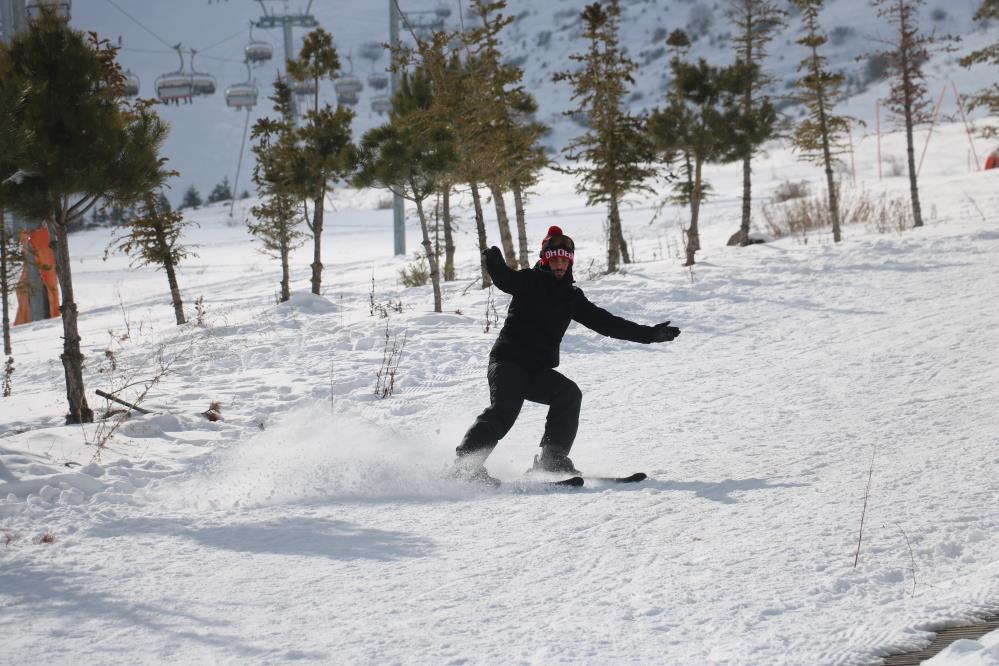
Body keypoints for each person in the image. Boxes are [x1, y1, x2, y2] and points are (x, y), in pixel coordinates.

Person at [453, 226, 681, 484]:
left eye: (565, 260)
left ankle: (552, 460)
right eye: (555, 259)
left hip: (536, 371)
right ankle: (464, 467)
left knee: (568, 394)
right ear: (545, 259)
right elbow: (506, 279)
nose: (560, 264)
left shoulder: (571, 297)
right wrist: (494, 265)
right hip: (508, 362)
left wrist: (648, 334)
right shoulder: (529, 281)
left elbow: (607, 323)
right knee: (505, 409)